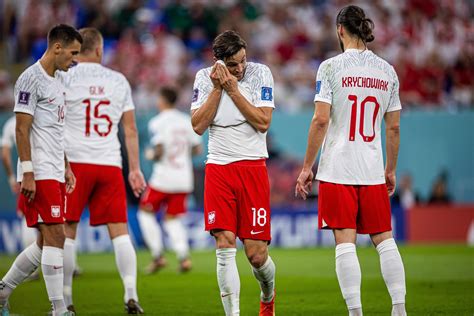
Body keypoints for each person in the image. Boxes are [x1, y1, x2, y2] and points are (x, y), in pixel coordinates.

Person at [295, 5, 407, 316]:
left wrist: (307, 167)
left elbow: (320, 121)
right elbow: (394, 127)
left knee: (345, 242)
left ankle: (356, 312)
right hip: (372, 169)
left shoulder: (330, 68)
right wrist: (391, 170)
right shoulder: (388, 72)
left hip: (337, 169)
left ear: (340, 30)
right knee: (384, 240)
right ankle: (399, 308)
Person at [60, 27, 146, 314]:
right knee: (119, 232)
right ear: (99, 50)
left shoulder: (63, 76)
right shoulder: (118, 80)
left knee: (67, 231)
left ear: (76, 48)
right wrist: (134, 169)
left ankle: (66, 302)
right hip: (109, 164)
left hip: (74, 164)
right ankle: (131, 294)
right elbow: (130, 129)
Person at [191, 30, 276, 316]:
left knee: (256, 255)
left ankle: (267, 295)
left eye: (242, 61)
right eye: (232, 65)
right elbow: (198, 125)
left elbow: (263, 121)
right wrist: (217, 88)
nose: (240, 69)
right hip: (218, 167)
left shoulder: (260, 73)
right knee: (224, 243)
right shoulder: (204, 79)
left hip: (252, 167)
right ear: (218, 62)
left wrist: (232, 89)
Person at [0, 24, 82, 316]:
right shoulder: (30, 78)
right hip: (40, 171)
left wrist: (67, 165)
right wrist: (28, 172)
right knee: (56, 236)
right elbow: (22, 130)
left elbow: (54, 130)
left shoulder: (58, 80)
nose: (74, 60)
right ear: (57, 47)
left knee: (43, 241)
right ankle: (59, 309)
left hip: (55, 170)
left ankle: (3, 291)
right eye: (73, 53)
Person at [137, 86, 202, 274]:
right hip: (183, 178)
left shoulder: (157, 122)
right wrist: (181, 155)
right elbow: (197, 150)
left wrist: (150, 155)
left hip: (163, 178)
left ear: (163, 101)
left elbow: (159, 150)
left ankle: (158, 256)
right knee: (172, 219)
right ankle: (183, 258)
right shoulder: (185, 121)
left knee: (145, 212)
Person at [1, 115, 39, 280]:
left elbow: (5, 154)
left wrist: (10, 177)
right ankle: (67, 268)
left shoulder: (11, 124)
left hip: (26, 174)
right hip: (48, 171)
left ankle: (32, 271)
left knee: (27, 218)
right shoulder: (41, 116)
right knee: (58, 222)